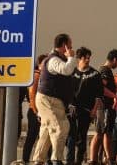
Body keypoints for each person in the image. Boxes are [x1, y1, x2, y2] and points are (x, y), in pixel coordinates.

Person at [32, 33, 77, 165]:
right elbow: (67, 70)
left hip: (56, 101)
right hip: (47, 100)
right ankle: (56, 159)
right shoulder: (53, 60)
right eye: (70, 44)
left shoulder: (58, 59)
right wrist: (71, 57)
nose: (71, 47)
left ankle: (38, 160)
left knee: (47, 130)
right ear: (64, 46)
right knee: (60, 127)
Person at [66, 47, 102, 165]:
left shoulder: (95, 74)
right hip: (71, 109)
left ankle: (79, 160)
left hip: (86, 110)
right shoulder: (71, 73)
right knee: (71, 135)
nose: (87, 60)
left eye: (88, 58)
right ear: (78, 59)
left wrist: (94, 110)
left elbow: (98, 95)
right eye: (84, 58)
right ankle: (69, 159)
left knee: (82, 135)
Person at [90, 49, 117, 165]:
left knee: (106, 132)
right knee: (99, 133)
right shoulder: (105, 71)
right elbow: (101, 88)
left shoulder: (106, 71)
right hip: (103, 107)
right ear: (114, 59)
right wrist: (115, 96)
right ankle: (93, 159)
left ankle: (109, 158)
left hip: (107, 106)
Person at [23, 54, 48, 164]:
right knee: (32, 136)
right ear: (40, 64)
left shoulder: (44, 76)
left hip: (42, 111)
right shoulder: (36, 76)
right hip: (35, 111)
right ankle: (25, 159)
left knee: (45, 136)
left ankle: (45, 159)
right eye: (45, 63)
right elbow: (32, 95)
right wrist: (36, 111)